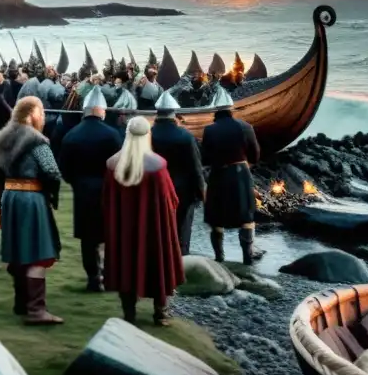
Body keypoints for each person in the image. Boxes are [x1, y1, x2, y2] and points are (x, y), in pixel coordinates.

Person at [0, 97, 64, 325]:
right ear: (31, 113)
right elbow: (52, 171)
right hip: (31, 198)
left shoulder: (1, 138)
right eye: (40, 112)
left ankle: (21, 303)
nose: (42, 117)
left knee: (19, 250)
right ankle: (36, 311)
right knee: (37, 253)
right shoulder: (37, 140)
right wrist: (51, 194)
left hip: (10, 197)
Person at [102, 116, 184, 326]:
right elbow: (170, 200)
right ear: (148, 134)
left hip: (123, 228)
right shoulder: (157, 165)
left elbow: (107, 199)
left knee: (125, 262)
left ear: (127, 134)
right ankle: (160, 312)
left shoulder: (112, 164)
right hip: (153, 227)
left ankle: (129, 313)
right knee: (157, 260)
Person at [58, 86, 122, 291]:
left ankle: (93, 279)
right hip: (108, 191)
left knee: (88, 238)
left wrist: (77, 183)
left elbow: (64, 169)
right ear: (101, 110)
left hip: (83, 192)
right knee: (110, 234)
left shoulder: (71, 135)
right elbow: (121, 165)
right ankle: (110, 276)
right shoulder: (112, 135)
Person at [201, 88, 262, 264]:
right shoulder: (246, 127)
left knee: (216, 218)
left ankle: (219, 258)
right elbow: (255, 155)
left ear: (215, 110)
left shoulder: (209, 130)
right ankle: (247, 258)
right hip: (241, 175)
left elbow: (205, 158)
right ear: (231, 109)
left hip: (219, 174)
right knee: (246, 217)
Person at [150, 91, 206, 255]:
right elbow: (196, 167)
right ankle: (181, 263)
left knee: (159, 229)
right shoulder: (186, 136)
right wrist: (202, 191)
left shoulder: (148, 135)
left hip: (156, 190)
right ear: (174, 114)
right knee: (182, 232)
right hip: (183, 192)